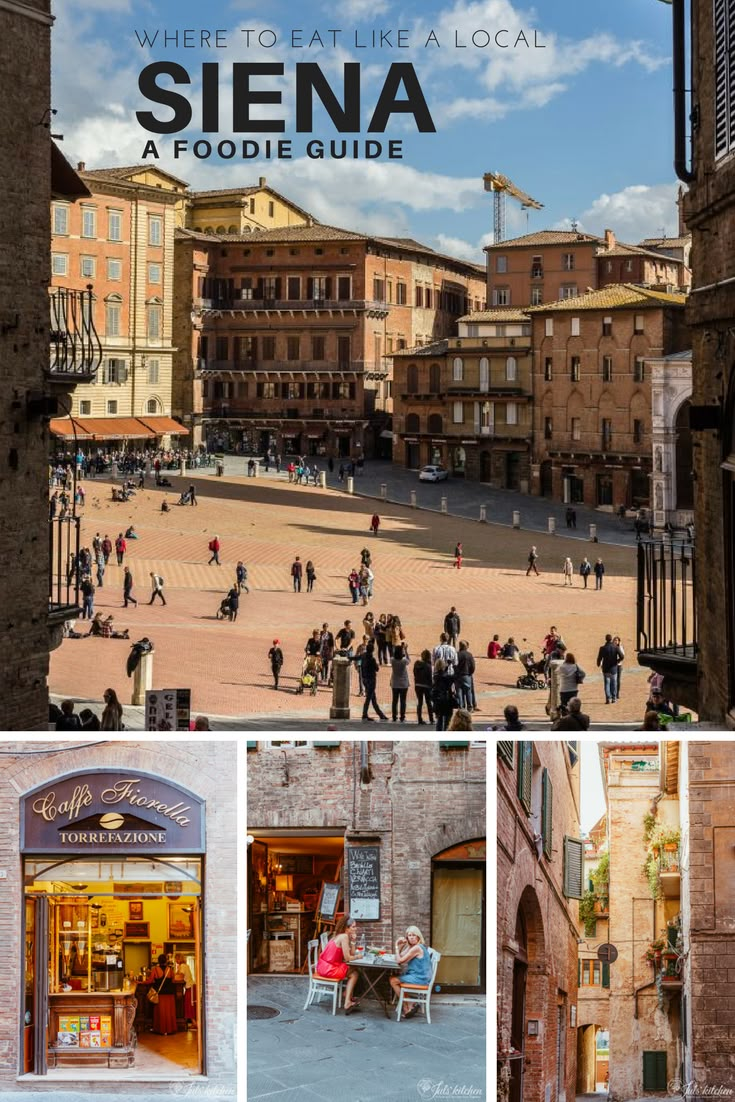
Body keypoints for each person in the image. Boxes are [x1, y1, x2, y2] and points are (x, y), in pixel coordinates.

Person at [316, 915, 361, 1014]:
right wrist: (358, 957)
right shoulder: (344, 937)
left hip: (324, 966)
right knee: (355, 972)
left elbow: (350, 955)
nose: (355, 928)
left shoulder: (338, 935)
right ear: (346, 928)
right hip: (329, 969)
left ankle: (347, 995)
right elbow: (348, 958)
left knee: (354, 972)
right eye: (353, 927)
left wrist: (353, 941)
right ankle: (347, 1000)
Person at [389, 927, 432, 1020]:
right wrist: (401, 946)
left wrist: (396, 945)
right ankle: (410, 1003)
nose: (412, 937)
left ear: (418, 936)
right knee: (395, 979)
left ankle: (406, 1007)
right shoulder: (412, 946)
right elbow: (399, 956)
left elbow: (399, 961)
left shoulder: (416, 948)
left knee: (393, 980)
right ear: (407, 937)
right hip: (420, 976)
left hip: (421, 978)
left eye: (414, 935)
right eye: (409, 935)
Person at [148, 954, 177, 1035]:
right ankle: (170, 1030)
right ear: (166, 961)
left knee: (160, 1012)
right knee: (169, 1012)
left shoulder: (155, 969)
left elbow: (150, 981)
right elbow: (173, 981)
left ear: (158, 961)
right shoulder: (170, 970)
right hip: (170, 994)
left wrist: (140, 982)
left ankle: (160, 1029)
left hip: (160, 994)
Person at [361, 642, 387, 722]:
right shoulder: (372, 659)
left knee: (372, 698)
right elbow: (377, 669)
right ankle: (365, 714)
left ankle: (381, 714)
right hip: (371, 680)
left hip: (365, 679)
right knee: (369, 698)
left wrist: (350, 658)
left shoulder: (364, 656)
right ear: (372, 650)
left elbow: (357, 658)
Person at [597, 633, 624, 704]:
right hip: (614, 668)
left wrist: (598, 663)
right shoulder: (615, 647)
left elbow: (599, 658)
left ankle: (608, 698)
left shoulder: (602, 648)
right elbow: (622, 656)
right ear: (611, 639)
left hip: (606, 669)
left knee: (607, 684)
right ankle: (614, 698)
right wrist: (617, 661)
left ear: (606, 639)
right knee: (614, 683)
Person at [432, 659, 457, 731]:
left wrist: (447, 667)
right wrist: (453, 666)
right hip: (447, 700)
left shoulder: (435, 676)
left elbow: (441, 674)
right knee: (447, 721)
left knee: (439, 721)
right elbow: (454, 676)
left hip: (438, 700)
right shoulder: (448, 677)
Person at [413, 649, 434, 726]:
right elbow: (430, 678)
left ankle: (419, 719)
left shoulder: (416, 664)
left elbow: (414, 673)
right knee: (429, 703)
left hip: (418, 685)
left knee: (420, 702)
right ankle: (431, 719)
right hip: (426, 686)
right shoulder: (428, 666)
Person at [390, 644, 410, 722]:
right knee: (403, 701)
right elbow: (409, 660)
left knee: (394, 701)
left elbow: (392, 655)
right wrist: (405, 650)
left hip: (395, 683)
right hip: (403, 683)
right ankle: (402, 716)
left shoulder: (392, 660)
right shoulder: (404, 661)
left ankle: (394, 716)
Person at [174, 954, 196, 1025]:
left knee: (189, 1005)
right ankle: (193, 1023)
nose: (176, 961)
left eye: (177, 959)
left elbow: (180, 976)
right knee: (189, 1005)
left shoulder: (183, 966)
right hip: (191, 986)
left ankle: (194, 1023)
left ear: (180, 959)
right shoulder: (184, 966)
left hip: (190, 987)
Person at [454, 641, 476, 710]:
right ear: (466, 647)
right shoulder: (469, 655)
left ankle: (461, 707)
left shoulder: (457, 654)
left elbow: (454, 665)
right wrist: (470, 673)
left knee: (459, 692)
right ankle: (470, 707)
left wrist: (456, 673)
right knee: (468, 691)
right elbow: (473, 666)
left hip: (458, 676)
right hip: (467, 675)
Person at [612, 635, 625, 700]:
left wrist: (617, 661)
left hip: (619, 665)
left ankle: (617, 694)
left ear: (619, 641)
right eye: (615, 640)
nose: (615, 641)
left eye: (617, 640)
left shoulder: (621, 647)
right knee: (613, 680)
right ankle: (613, 693)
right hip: (612, 666)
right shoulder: (611, 647)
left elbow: (623, 656)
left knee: (618, 680)